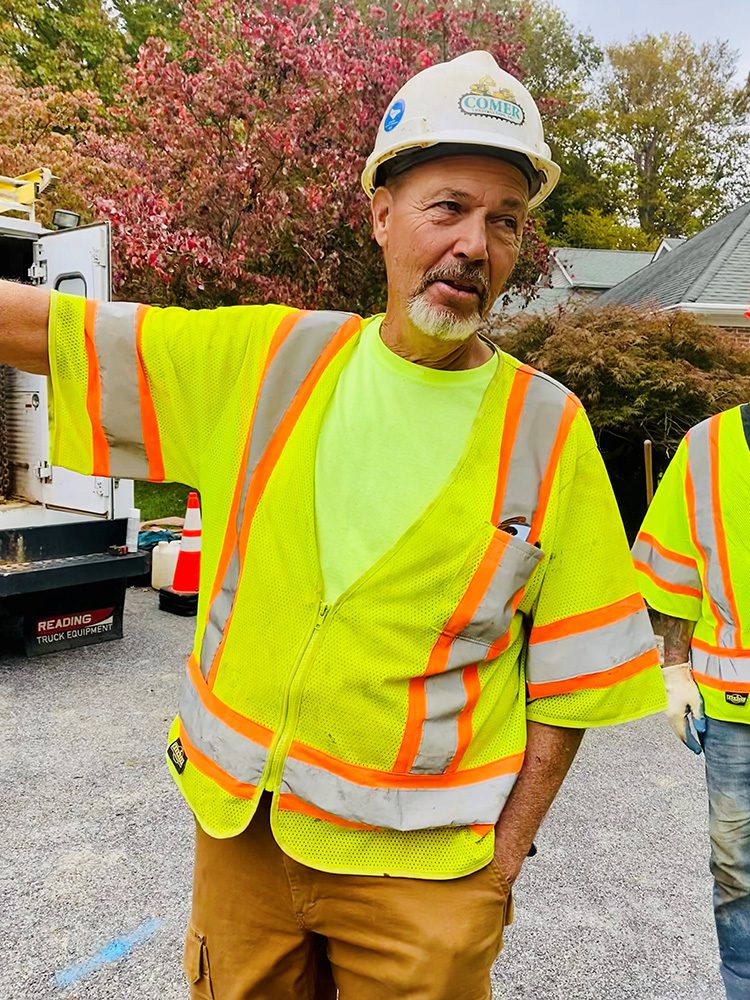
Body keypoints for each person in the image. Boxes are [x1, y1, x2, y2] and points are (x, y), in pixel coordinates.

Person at [2, 50, 666, 1000]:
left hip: (429, 876)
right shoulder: (267, 359)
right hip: (245, 834)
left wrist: (501, 866)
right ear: (381, 215)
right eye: (448, 207)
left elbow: (576, 677)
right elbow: (52, 331)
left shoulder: (548, 428)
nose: (474, 244)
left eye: (506, 221)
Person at [633, 403, 750, 1000]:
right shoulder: (708, 446)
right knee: (737, 870)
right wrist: (675, 668)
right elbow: (679, 577)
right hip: (734, 709)